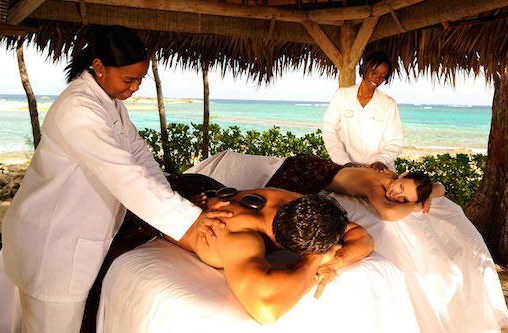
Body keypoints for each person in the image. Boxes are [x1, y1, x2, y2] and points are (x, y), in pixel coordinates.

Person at [0, 26, 229, 333]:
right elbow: (127, 178)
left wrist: (180, 204)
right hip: (53, 246)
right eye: (128, 79)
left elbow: (142, 161)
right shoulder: (79, 109)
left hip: (57, 235)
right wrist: (191, 221)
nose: (135, 88)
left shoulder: (111, 105)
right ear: (99, 68)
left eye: (139, 79)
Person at [166, 186, 374, 325]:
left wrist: (335, 262)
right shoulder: (238, 235)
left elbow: (362, 236)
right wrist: (315, 258)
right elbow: (265, 310)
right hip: (162, 203)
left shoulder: (300, 208)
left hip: (202, 188)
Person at [263, 154, 446, 221]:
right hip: (308, 171)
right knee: (273, 207)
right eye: (401, 187)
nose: (395, 195)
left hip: (323, 166)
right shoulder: (374, 185)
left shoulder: (391, 175)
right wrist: (415, 206)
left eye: (403, 199)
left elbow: (440, 187)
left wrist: (426, 197)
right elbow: (388, 213)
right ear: (403, 175)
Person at [322, 51, 403, 172]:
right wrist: (344, 162)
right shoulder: (341, 96)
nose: (378, 78)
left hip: (378, 169)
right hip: (345, 167)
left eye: (383, 76)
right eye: (374, 72)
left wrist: (381, 161)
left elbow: (394, 141)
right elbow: (329, 130)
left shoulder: (389, 104)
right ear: (364, 69)